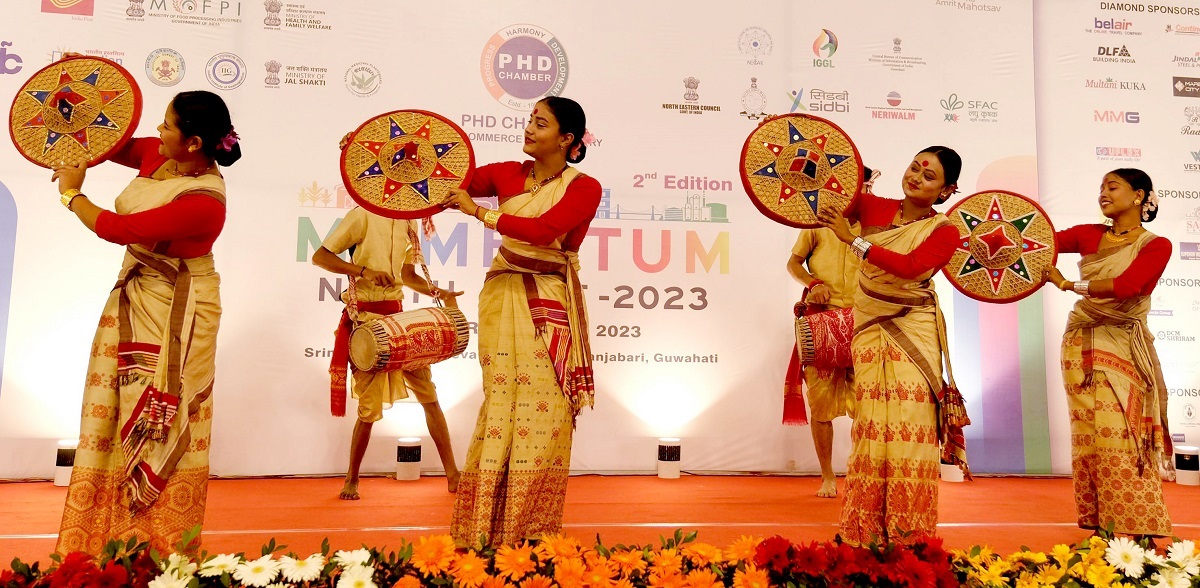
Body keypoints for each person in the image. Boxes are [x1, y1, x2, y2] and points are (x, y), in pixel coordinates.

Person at [51, 89, 240, 555]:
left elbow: (122, 229)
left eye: (167, 125)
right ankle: (105, 542)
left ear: (193, 142)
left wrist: (72, 194)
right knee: (117, 407)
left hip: (179, 310)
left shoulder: (205, 201)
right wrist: (72, 91)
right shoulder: (159, 154)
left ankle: (160, 549)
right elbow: (105, 138)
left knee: (155, 415)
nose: (157, 131)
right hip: (137, 295)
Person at [439, 96, 601, 547]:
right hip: (502, 293)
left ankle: (531, 529)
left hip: (548, 297)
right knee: (500, 405)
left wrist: (480, 212)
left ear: (567, 140)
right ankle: (483, 530)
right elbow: (439, 182)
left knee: (546, 413)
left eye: (541, 123)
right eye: (530, 120)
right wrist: (380, 158)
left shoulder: (584, 187)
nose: (529, 128)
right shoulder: (507, 172)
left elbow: (544, 230)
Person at [816, 146, 969, 546]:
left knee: (909, 430)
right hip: (868, 328)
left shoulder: (944, 231)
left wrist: (854, 242)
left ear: (946, 191)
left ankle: (909, 539)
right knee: (870, 426)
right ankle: (862, 534)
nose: (916, 176)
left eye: (929, 175)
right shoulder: (873, 207)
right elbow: (819, 192)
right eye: (914, 166)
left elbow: (910, 267)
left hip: (912, 331)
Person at [1043, 168, 1172, 540]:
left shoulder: (1155, 244)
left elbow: (1130, 286)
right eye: (1100, 187)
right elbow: (1037, 243)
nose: (1103, 193)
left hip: (1121, 342)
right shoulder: (1088, 234)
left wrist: (1070, 284)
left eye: (1112, 187)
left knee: (1124, 434)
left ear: (1138, 196)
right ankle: (1102, 529)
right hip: (1080, 343)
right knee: (1088, 438)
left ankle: (1139, 531)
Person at [312, 206, 462, 498]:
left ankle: (453, 474)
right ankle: (352, 479)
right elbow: (321, 257)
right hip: (367, 321)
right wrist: (363, 272)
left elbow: (407, 275)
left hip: (398, 321)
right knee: (368, 409)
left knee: (429, 396)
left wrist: (436, 291)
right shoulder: (362, 215)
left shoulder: (408, 221)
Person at [783, 169, 876, 498]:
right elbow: (793, 264)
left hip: (867, 323)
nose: (862, 192)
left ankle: (859, 472)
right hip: (823, 321)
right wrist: (814, 283)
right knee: (820, 405)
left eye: (868, 186)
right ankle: (827, 476)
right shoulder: (818, 221)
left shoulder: (878, 226)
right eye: (857, 186)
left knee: (869, 406)